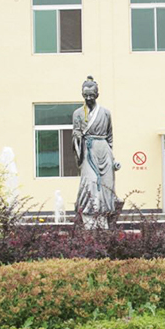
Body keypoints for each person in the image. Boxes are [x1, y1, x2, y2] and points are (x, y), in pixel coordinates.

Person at [73, 76, 120, 227]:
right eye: (85, 95)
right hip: (88, 149)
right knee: (90, 181)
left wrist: (112, 157)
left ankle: (104, 215)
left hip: (104, 150)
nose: (88, 98)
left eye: (91, 95)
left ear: (97, 95)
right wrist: (78, 138)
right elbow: (75, 133)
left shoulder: (105, 113)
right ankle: (88, 215)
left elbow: (110, 135)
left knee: (107, 183)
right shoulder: (78, 113)